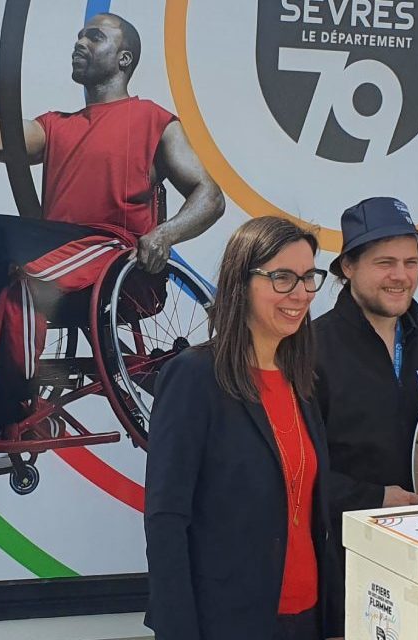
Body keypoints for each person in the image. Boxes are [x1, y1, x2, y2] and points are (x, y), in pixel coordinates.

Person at [0, 2, 224, 469]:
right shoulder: (57, 125)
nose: (79, 44)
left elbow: (210, 196)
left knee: (14, 264)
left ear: (124, 59)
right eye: (79, 37)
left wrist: (166, 234)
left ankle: (10, 412)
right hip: (60, 245)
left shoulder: (153, 120)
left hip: (114, 253)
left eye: (94, 37)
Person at [145, 217, 343, 640]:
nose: (301, 293)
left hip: (307, 617)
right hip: (229, 620)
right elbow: (166, 518)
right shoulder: (195, 376)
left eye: (309, 277)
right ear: (242, 282)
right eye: (282, 277)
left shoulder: (303, 381)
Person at [313, 197, 418, 514]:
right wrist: (375, 498)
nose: (401, 276)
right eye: (385, 263)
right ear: (348, 266)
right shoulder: (311, 349)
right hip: (347, 552)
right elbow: (296, 473)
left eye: (410, 263)